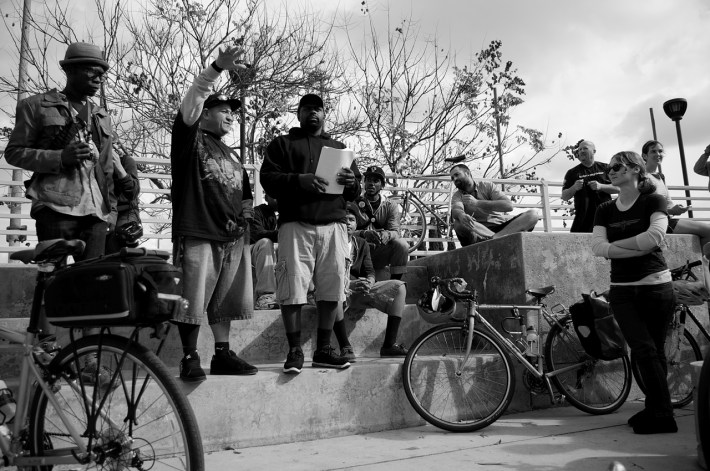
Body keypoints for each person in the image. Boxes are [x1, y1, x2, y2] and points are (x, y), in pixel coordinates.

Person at [5, 42, 117, 357]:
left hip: (95, 211)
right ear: (69, 70)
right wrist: (59, 157)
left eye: (102, 73)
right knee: (52, 277)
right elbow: (14, 152)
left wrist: (114, 212)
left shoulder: (102, 116)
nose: (98, 77)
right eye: (91, 70)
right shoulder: (36, 106)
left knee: (94, 284)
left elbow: (106, 168)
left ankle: (90, 356)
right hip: (55, 206)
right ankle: (46, 350)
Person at [170, 46, 257, 382]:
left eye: (233, 112)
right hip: (198, 230)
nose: (231, 116)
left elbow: (246, 194)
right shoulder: (189, 139)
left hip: (233, 238)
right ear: (204, 114)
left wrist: (246, 222)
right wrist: (215, 69)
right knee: (191, 297)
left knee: (224, 301)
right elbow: (192, 99)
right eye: (223, 110)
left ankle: (222, 354)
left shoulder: (231, 155)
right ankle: (189, 357)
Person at [261, 92, 361, 374]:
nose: (313, 113)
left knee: (332, 290)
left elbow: (356, 190)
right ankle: (294, 351)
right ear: (299, 113)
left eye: (318, 109)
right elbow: (267, 178)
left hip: (334, 225)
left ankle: (324, 349)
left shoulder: (339, 148)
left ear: (324, 114)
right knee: (292, 288)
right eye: (307, 109)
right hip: (296, 224)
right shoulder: (282, 144)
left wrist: (353, 181)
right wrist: (300, 180)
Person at [591, 151, 677, 434]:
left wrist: (620, 248)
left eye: (617, 166)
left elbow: (656, 237)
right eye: (610, 168)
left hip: (656, 286)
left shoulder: (654, 200)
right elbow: (598, 248)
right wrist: (638, 246)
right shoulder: (605, 209)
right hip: (623, 291)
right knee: (642, 350)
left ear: (636, 170)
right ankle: (658, 410)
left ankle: (659, 413)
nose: (611, 171)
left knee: (653, 351)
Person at [332, 203, 409, 362]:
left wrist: (369, 282)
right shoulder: (329, 243)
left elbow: (369, 271)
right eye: (343, 219)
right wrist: (349, 285)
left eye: (352, 219)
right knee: (333, 292)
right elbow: (326, 276)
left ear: (356, 224)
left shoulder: (361, 244)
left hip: (358, 291)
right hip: (336, 291)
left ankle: (389, 345)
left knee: (399, 288)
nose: (348, 223)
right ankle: (345, 347)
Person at [449, 163, 539, 246]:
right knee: (458, 224)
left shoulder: (487, 186)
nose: (455, 179)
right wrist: (461, 215)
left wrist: (477, 203)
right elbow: (457, 209)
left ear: (467, 173)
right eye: (452, 178)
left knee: (532, 215)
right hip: (478, 233)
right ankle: (496, 238)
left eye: (457, 175)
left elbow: (508, 206)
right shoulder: (457, 195)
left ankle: (496, 238)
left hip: (502, 229)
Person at [642, 140, 710, 247]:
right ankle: (697, 261)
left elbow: (668, 202)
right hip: (654, 222)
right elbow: (642, 207)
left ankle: (697, 260)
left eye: (660, 151)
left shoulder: (660, 176)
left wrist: (677, 208)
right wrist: (671, 211)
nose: (658, 154)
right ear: (644, 156)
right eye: (653, 151)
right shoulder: (641, 177)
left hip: (665, 218)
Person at [353, 165, 409, 280]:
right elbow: (345, 231)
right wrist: (363, 234)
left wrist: (387, 235)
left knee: (402, 244)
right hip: (358, 252)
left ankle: (395, 282)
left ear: (382, 185)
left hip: (378, 252)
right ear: (364, 183)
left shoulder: (390, 205)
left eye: (376, 181)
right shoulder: (354, 203)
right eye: (368, 180)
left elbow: (395, 231)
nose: (371, 183)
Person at [561, 140, 618, 232]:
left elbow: (619, 188)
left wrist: (601, 187)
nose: (582, 151)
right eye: (580, 149)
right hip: (583, 219)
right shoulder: (572, 173)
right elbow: (564, 196)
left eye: (585, 148)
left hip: (606, 216)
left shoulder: (606, 168)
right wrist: (574, 188)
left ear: (594, 151)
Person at [105, 142, 141, 254]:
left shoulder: (127, 161)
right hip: (103, 210)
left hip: (125, 210)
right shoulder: (96, 161)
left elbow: (133, 193)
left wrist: (119, 169)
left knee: (122, 238)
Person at [251, 193, 279, 310]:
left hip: (268, 250)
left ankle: (308, 293)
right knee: (265, 242)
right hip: (249, 250)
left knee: (292, 246)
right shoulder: (257, 211)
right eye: (274, 195)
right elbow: (258, 234)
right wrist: (283, 233)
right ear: (267, 197)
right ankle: (265, 297)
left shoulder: (287, 214)